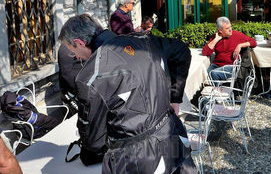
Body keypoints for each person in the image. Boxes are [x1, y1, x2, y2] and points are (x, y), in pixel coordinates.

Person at [58, 14, 196, 173]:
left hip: (137, 158)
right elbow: (181, 51)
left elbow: (94, 142)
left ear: (79, 43)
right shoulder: (143, 40)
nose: (75, 57)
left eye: (72, 51)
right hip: (171, 132)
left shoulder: (89, 76)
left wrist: (174, 98)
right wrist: (174, 97)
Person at [202, 16, 257, 83]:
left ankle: (217, 91)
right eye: (227, 28)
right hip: (217, 65)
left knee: (213, 74)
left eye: (230, 27)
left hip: (232, 67)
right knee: (205, 74)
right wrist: (216, 39)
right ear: (220, 30)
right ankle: (215, 89)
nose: (230, 29)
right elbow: (205, 52)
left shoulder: (237, 35)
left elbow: (254, 42)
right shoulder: (215, 37)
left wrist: (240, 45)